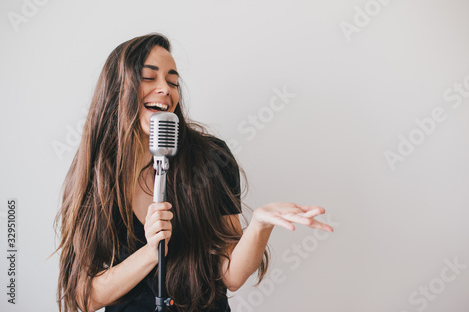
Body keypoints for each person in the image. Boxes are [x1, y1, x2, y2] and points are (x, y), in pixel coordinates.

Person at [53, 33, 333, 312]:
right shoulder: (96, 175)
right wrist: (151, 253)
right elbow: (84, 297)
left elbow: (231, 276)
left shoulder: (211, 159)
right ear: (117, 90)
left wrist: (259, 226)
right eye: (150, 78)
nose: (165, 89)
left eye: (173, 81)